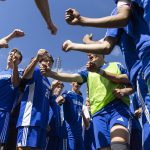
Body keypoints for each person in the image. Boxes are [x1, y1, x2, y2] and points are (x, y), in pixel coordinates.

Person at [40, 53, 131, 150]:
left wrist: (124, 91)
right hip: (98, 114)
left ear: (102, 52)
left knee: (118, 143)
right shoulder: (88, 73)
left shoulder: (116, 65)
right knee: (104, 147)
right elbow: (72, 76)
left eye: (91, 50)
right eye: (87, 53)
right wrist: (51, 73)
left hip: (117, 108)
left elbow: (131, 83)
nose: (88, 54)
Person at [16, 49, 54, 150]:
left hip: (42, 123)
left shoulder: (49, 83)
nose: (49, 63)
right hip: (30, 119)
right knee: (24, 147)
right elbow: (25, 76)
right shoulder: (35, 71)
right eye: (46, 60)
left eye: (51, 62)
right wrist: (37, 58)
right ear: (40, 62)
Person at [0, 48, 23, 150]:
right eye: (10, 54)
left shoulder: (19, 71)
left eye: (15, 56)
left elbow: (16, 83)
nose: (12, 56)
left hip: (4, 112)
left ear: (19, 60)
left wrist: (15, 66)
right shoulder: (1, 71)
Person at [56, 82, 84, 150]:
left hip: (79, 132)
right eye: (76, 82)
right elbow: (60, 99)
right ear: (72, 83)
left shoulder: (81, 98)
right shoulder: (67, 93)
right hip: (69, 130)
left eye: (79, 83)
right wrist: (60, 99)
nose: (77, 84)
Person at [46, 80, 64, 150]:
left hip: (57, 132)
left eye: (61, 88)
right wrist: (46, 123)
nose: (60, 89)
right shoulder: (50, 97)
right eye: (58, 87)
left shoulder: (59, 102)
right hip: (49, 130)